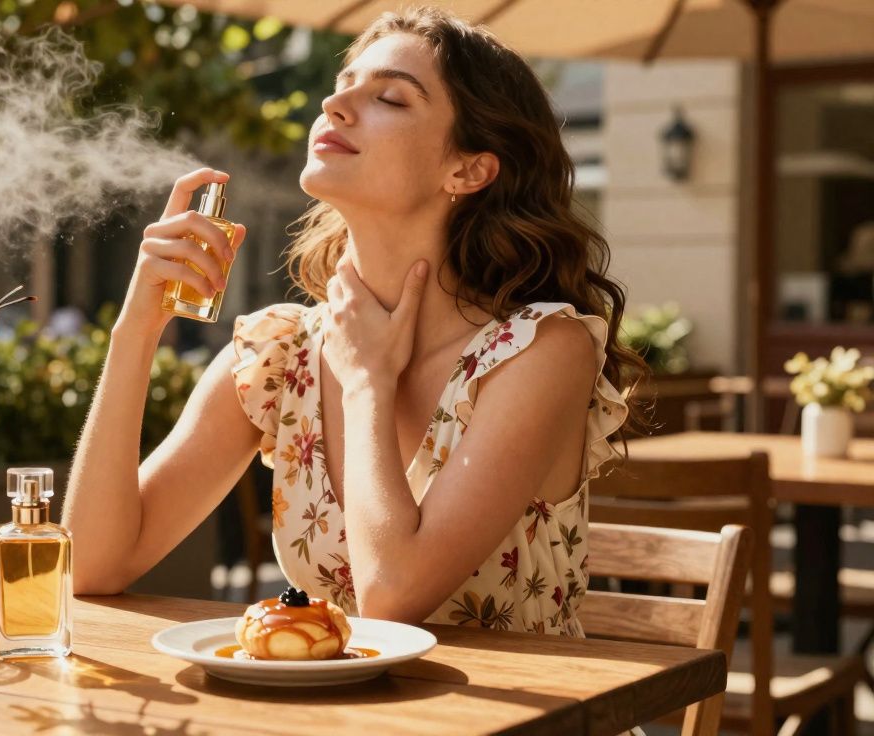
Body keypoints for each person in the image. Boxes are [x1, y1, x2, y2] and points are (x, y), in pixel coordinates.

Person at [64, 8, 646, 634]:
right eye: (343, 85)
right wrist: (136, 330)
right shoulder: (280, 354)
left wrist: (369, 380)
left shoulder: (540, 350)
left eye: (390, 98)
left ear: (468, 169)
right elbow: (92, 567)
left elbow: (392, 596)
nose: (335, 104)